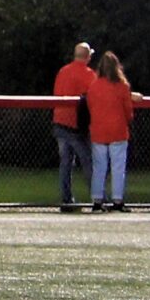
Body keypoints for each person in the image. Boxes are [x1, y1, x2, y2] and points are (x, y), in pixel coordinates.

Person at [84, 49, 138, 213]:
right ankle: (117, 200)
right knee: (118, 167)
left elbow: (90, 107)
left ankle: (97, 201)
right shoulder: (122, 86)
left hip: (99, 131)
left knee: (99, 167)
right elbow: (128, 111)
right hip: (118, 130)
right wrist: (127, 120)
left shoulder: (93, 86)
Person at [49, 41, 95, 213]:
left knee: (66, 163)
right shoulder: (89, 74)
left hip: (60, 122)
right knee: (88, 161)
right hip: (76, 126)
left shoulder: (63, 71)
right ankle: (97, 198)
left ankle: (66, 200)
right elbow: (95, 97)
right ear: (87, 57)